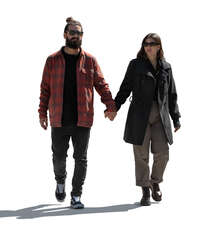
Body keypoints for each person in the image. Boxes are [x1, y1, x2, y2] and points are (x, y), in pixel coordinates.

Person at [38, 17, 117, 209]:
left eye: (79, 33)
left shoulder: (90, 61)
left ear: (82, 36)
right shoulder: (52, 60)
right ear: (65, 35)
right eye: (72, 32)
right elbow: (45, 89)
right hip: (59, 118)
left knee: (81, 159)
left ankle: (76, 195)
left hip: (83, 118)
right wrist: (42, 113)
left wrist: (110, 105)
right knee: (58, 157)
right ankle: (60, 181)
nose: (76, 36)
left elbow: (101, 84)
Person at [113, 33, 181, 206]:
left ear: (159, 46)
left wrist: (176, 117)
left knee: (163, 154)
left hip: (160, 116)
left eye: (152, 43)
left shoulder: (166, 67)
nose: (148, 46)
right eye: (145, 43)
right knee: (141, 154)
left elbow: (172, 94)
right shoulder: (135, 65)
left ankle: (155, 182)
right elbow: (125, 88)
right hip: (139, 115)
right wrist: (114, 107)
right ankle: (145, 190)